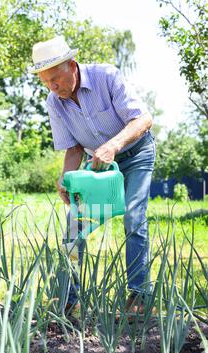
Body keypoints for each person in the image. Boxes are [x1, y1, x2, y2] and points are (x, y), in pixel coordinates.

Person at [29, 36, 156, 315]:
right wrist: (66, 179)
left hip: (135, 156)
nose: (52, 87)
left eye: (56, 78)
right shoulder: (55, 102)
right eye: (45, 81)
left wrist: (113, 145)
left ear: (72, 65)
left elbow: (143, 120)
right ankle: (69, 300)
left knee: (134, 216)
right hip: (98, 167)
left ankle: (139, 298)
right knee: (75, 224)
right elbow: (74, 148)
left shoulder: (106, 76)